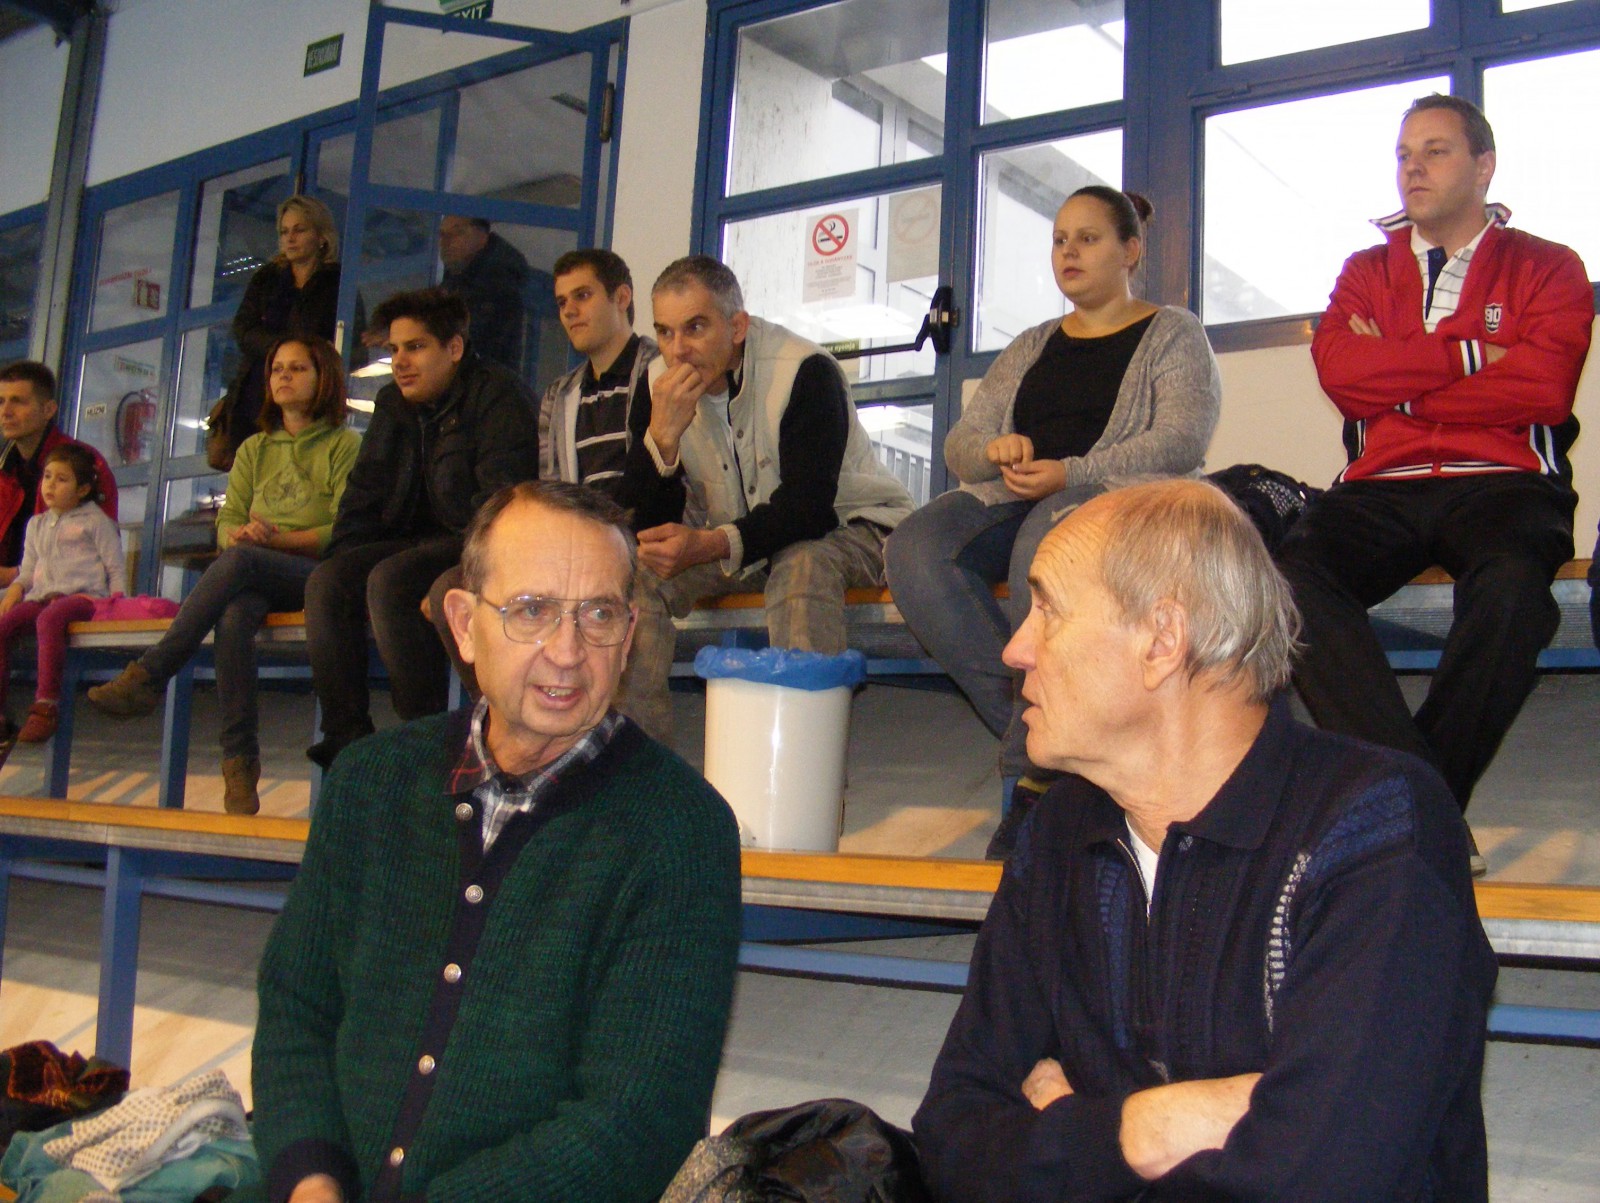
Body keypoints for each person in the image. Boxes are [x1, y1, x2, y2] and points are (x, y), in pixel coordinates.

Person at [913, 478, 1496, 1203]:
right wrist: (1148, 1129)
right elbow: (951, 1139)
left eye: (1048, 609)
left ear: (1163, 639)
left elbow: (1323, 1179)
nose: (1015, 649)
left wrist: (1067, 1138)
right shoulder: (1059, 832)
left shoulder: (1374, 825)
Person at [244, 481, 740, 1203]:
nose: (568, 652)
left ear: (630, 633)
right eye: (532, 610)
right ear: (464, 625)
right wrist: (309, 1180)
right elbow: (297, 1008)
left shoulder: (679, 831)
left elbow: (637, 1125)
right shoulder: (369, 782)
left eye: (599, 614)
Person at [1276, 94, 1593, 866]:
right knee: (1285, 577)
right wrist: (1468, 354)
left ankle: (1412, 804)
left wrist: (1399, 380)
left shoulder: (1549, 265)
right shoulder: (1365, 270)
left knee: (1515, 590)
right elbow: (1344, 376)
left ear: (1484, 166)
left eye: (1435, 150)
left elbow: (1544, 389)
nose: (1412, 167)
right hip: (1382, 482)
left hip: (1506, 479)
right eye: (1403, 153)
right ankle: (1423, 804)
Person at [884, 188, 1220, 857]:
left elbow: (1181, 439)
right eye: (1061, 240)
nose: (1069, 252)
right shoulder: (1033, 343)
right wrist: (994, 450)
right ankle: (1053, 733)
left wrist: (1070, 473)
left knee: (1048, 543)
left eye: (1088, 239)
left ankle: (1031, 779)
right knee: (916, 547)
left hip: (1115, 501)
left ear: (1130, 251)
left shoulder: (1173, 332)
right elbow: (962, 443)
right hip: (1015, 498)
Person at [616, 254, 915, 741]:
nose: (677, 351)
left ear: (737, 327)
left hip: (853, 524)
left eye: (695, 328)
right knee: (635, 579)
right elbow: (641, 524)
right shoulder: (656, 387)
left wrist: (711, 543)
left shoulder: (804, 370)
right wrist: (662, 441)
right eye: (665, 333)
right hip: (746, 538)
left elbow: (809, 510)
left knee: (802, 564)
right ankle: (634, 758)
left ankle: (806, 755)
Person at [86, 336, 360, 814]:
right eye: (277, 368)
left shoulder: (344, 444)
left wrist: (269, 541)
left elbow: (343, 529)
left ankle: (151, 674)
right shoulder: (253, 448)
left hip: (317, 574)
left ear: (324, 379)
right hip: (256, 568)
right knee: (233, 616)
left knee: (239, 562)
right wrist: (240, 535)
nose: (283, 376)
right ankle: (239, 764)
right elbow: (227, 521)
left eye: (297, 368)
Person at [303, 287, 537, 768]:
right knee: (327, 581)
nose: (400, 362)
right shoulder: (394, 404)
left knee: (389, 580)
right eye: (394, 350)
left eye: (415, 347)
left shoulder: (498, 395)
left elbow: (501, 506)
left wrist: (470, 572)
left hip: (474, 541)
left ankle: (427, 738)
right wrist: (342, 563)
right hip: (413, 544)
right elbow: (364, 494)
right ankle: (346, 740)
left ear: (454, 348)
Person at [425, 247, 659, 694]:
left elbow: (672, 480)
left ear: (622, 297)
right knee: (452, 589)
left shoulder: (660, 372)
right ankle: (504, 712)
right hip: (573, 546)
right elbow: (552, 490)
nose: (569, 311)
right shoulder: (559, 394)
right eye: (561, 302)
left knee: (624, 593)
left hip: (642, 542)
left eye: (582, 296)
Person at [0, 444, 124, 750]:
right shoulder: (37, 524)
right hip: (43, 596)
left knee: (49, 620)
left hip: (84, 597)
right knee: (5, 625)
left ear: (83, 489)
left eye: (62, 479)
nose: (50, 485)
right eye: (47, 477)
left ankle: (46, 705)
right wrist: (16, 589)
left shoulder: (96, 522)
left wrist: (119, 603)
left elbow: (115, 567)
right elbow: (29, 569)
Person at [218, 196, 342, 466]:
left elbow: (349, 345)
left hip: (311, 403)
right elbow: (243, 329)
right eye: (284, 232)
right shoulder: (266, 279)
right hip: (255, 397)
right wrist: (288, 348)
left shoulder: (337, 284)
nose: (290, 238)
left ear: (321, 236)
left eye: (299, 230)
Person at [0, 360, 118, 588]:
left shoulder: (84, 464)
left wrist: (15, 576)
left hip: (63, 595)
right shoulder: (4, 471)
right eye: (1, 401)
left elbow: (94, 555)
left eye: (18, 401)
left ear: (49, 410)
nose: (6, 412)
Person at [438, 214, 531, 372]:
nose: (445, 242)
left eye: (457, 232)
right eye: (442, 234)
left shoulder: (498, 286)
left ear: (482, 237)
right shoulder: (454, 282)